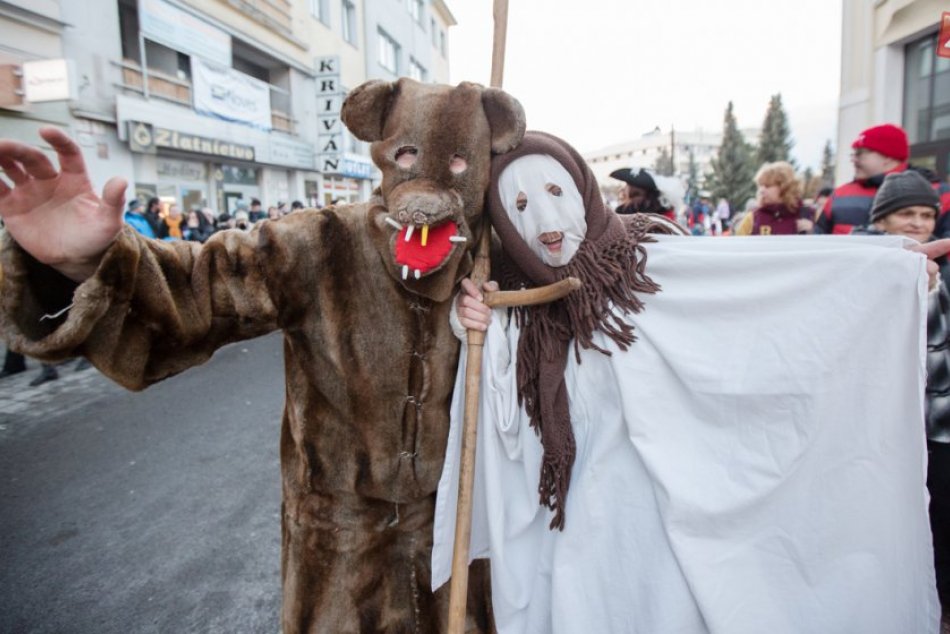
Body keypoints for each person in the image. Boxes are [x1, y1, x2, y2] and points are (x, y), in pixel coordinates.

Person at [0, 77, 526, 632]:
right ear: (383, 152)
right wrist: (88, 264)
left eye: (460, 164)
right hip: (341, 554)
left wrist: (508, 316)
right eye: (408, 155)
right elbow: (199, 290)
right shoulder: (320, 243)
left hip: (461, 531)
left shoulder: (497, 257)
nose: (429, 179)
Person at [439, 131, 946, 633]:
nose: (545, 222)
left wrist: (885, 275)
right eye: (521, 205)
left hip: (661, 492)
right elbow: (495, 397)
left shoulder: (644, 259)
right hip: (567, 512)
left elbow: (757, 280)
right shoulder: (512, 298)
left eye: (555, 194)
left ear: (581, 191)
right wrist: (473, 322)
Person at [851, 170, 950, 630]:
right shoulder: (857, 264)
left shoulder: (940, 267)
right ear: (883, 220)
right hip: (884, 425)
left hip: (938, 423)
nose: (917, 223)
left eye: (926, 214)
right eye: (906, 214)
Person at [816, 124, 909, 235]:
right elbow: (819, 237)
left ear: (887, 157)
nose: (854, 160)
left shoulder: (928, 191)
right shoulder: (839, 194)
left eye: (860, 154)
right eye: (854, 154)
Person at [732, 161, 815, 235]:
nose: (761, 190)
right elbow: (737, 249)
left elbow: (825, 246)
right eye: (760, 186)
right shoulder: (752, 219)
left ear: (784, 187)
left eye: (767, 186)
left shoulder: (809, 214)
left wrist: (814, 231)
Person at [608, 167, 677, 220]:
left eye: (627, 185)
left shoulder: (623, 211)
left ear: (631, 189)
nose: (624, 188)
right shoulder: (662, 209)